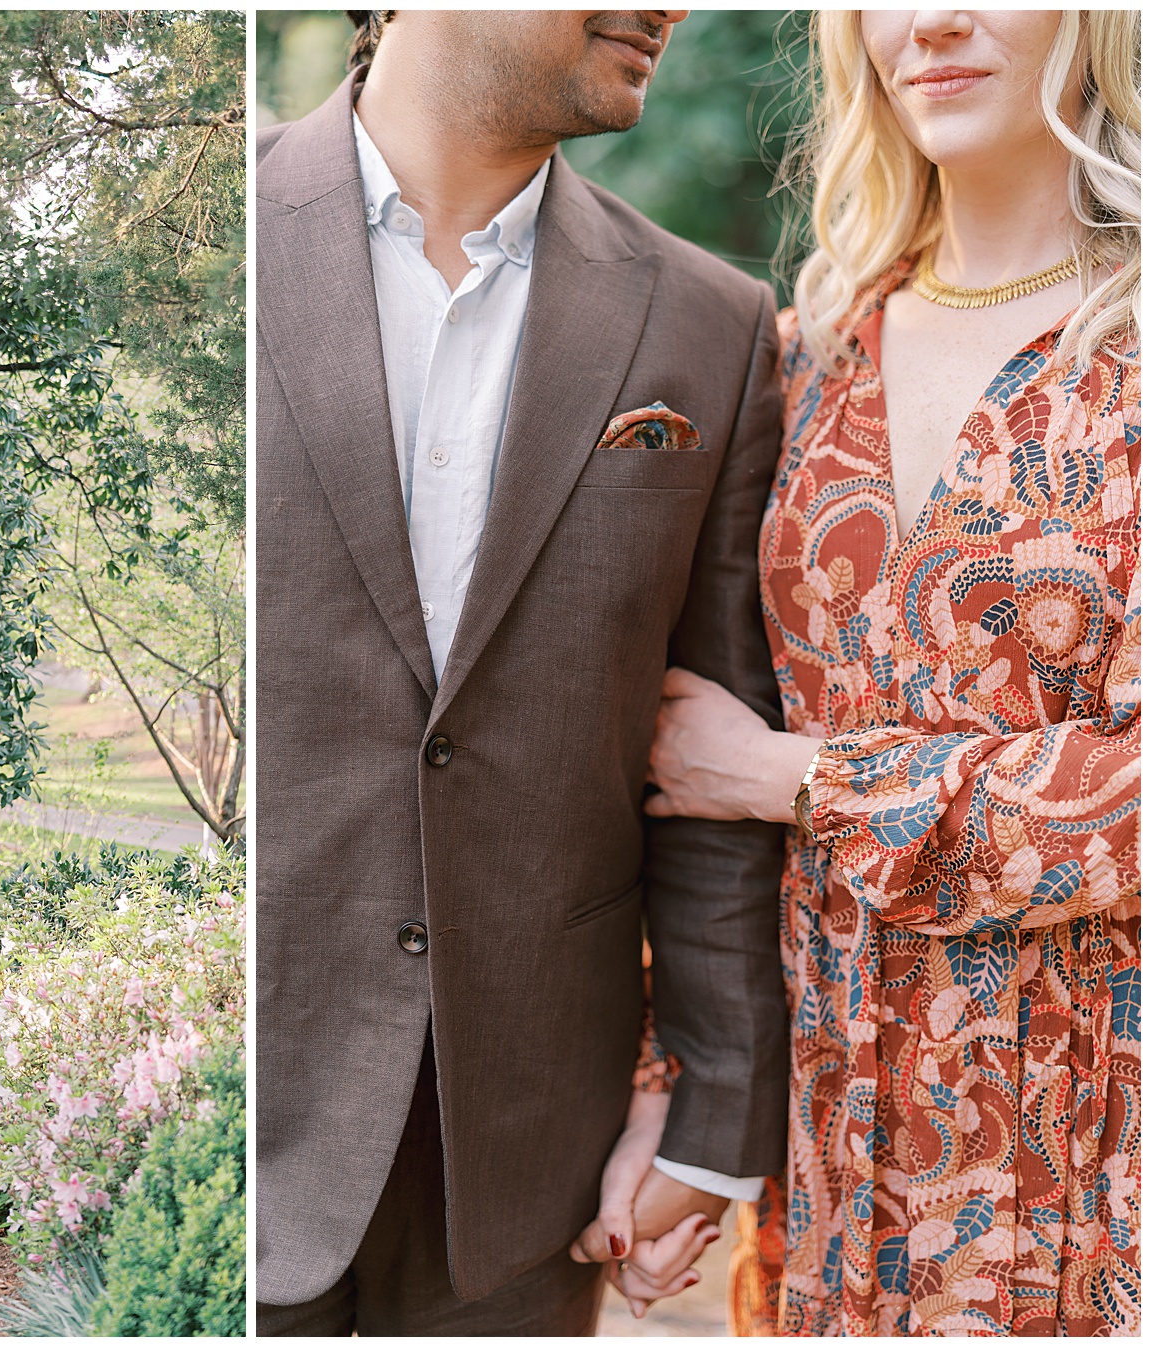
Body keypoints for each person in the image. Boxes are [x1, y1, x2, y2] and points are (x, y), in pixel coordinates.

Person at [256, 10, 794, 1333]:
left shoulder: (713, 327)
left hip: (522, 1172)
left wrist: (711, 1117)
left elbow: (712, 762)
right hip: (242, 1120)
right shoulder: (222, 233)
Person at [639, 10, 1140, 1335]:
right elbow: (699, 742)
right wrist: (681, 1095)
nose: (932, 22)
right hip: (833, 1134)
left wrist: (800, 782)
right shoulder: (813, 345)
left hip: (1092, 1143)